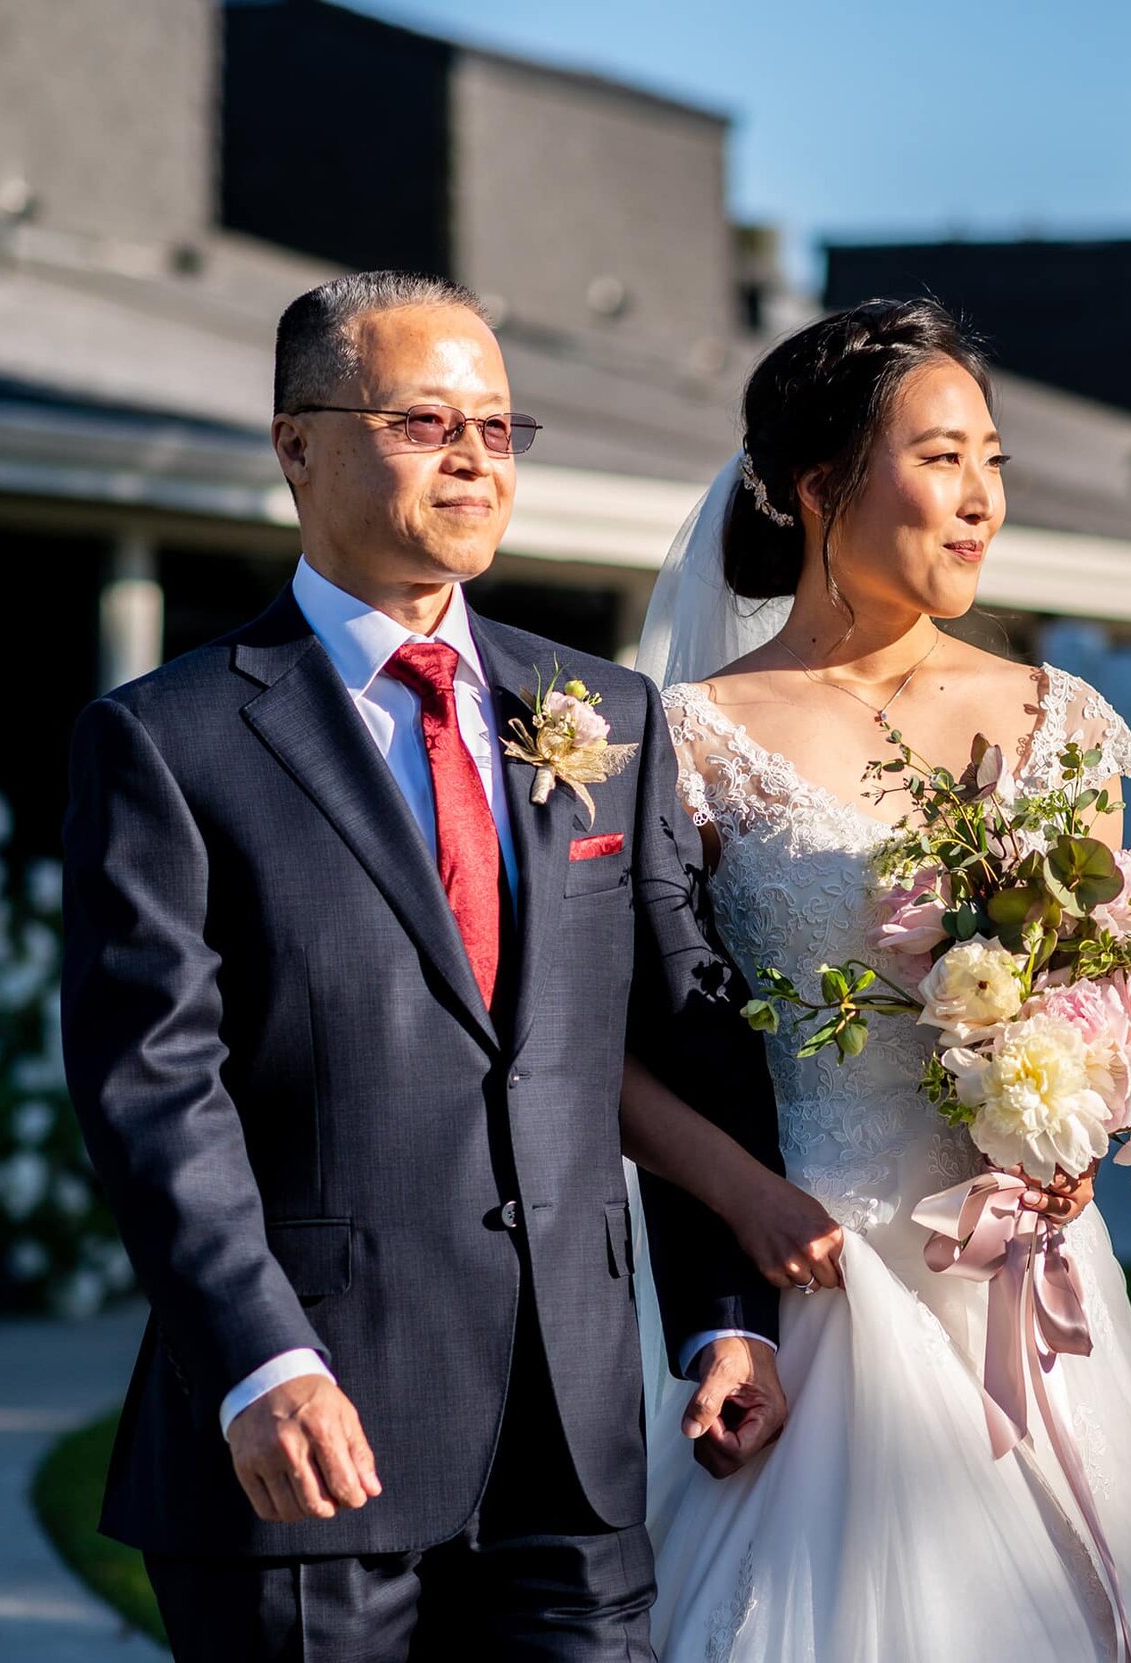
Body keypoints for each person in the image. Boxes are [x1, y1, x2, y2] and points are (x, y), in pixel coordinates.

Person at [61, 270, 787, 1660]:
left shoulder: (605, 717)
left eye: (500, 428)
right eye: (426, 421)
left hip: (574, 1449)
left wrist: (722, 1322)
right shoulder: (169, 740)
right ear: (298, 445)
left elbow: (674, 1040)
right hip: (309, 1445)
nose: (473, 458)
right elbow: (152, 1089)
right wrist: (260, 1361)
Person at [622, 299, 1131, 1662]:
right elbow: (604, 1052)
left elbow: (1110, 991)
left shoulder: (1058, 720)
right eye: (943, 458)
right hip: (821, 1286)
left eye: (994, 463)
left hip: (1032, 1290)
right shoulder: (697, 741)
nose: (981, 501)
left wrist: (1092, 1123)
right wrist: (746, 1195)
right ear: (822, 484)